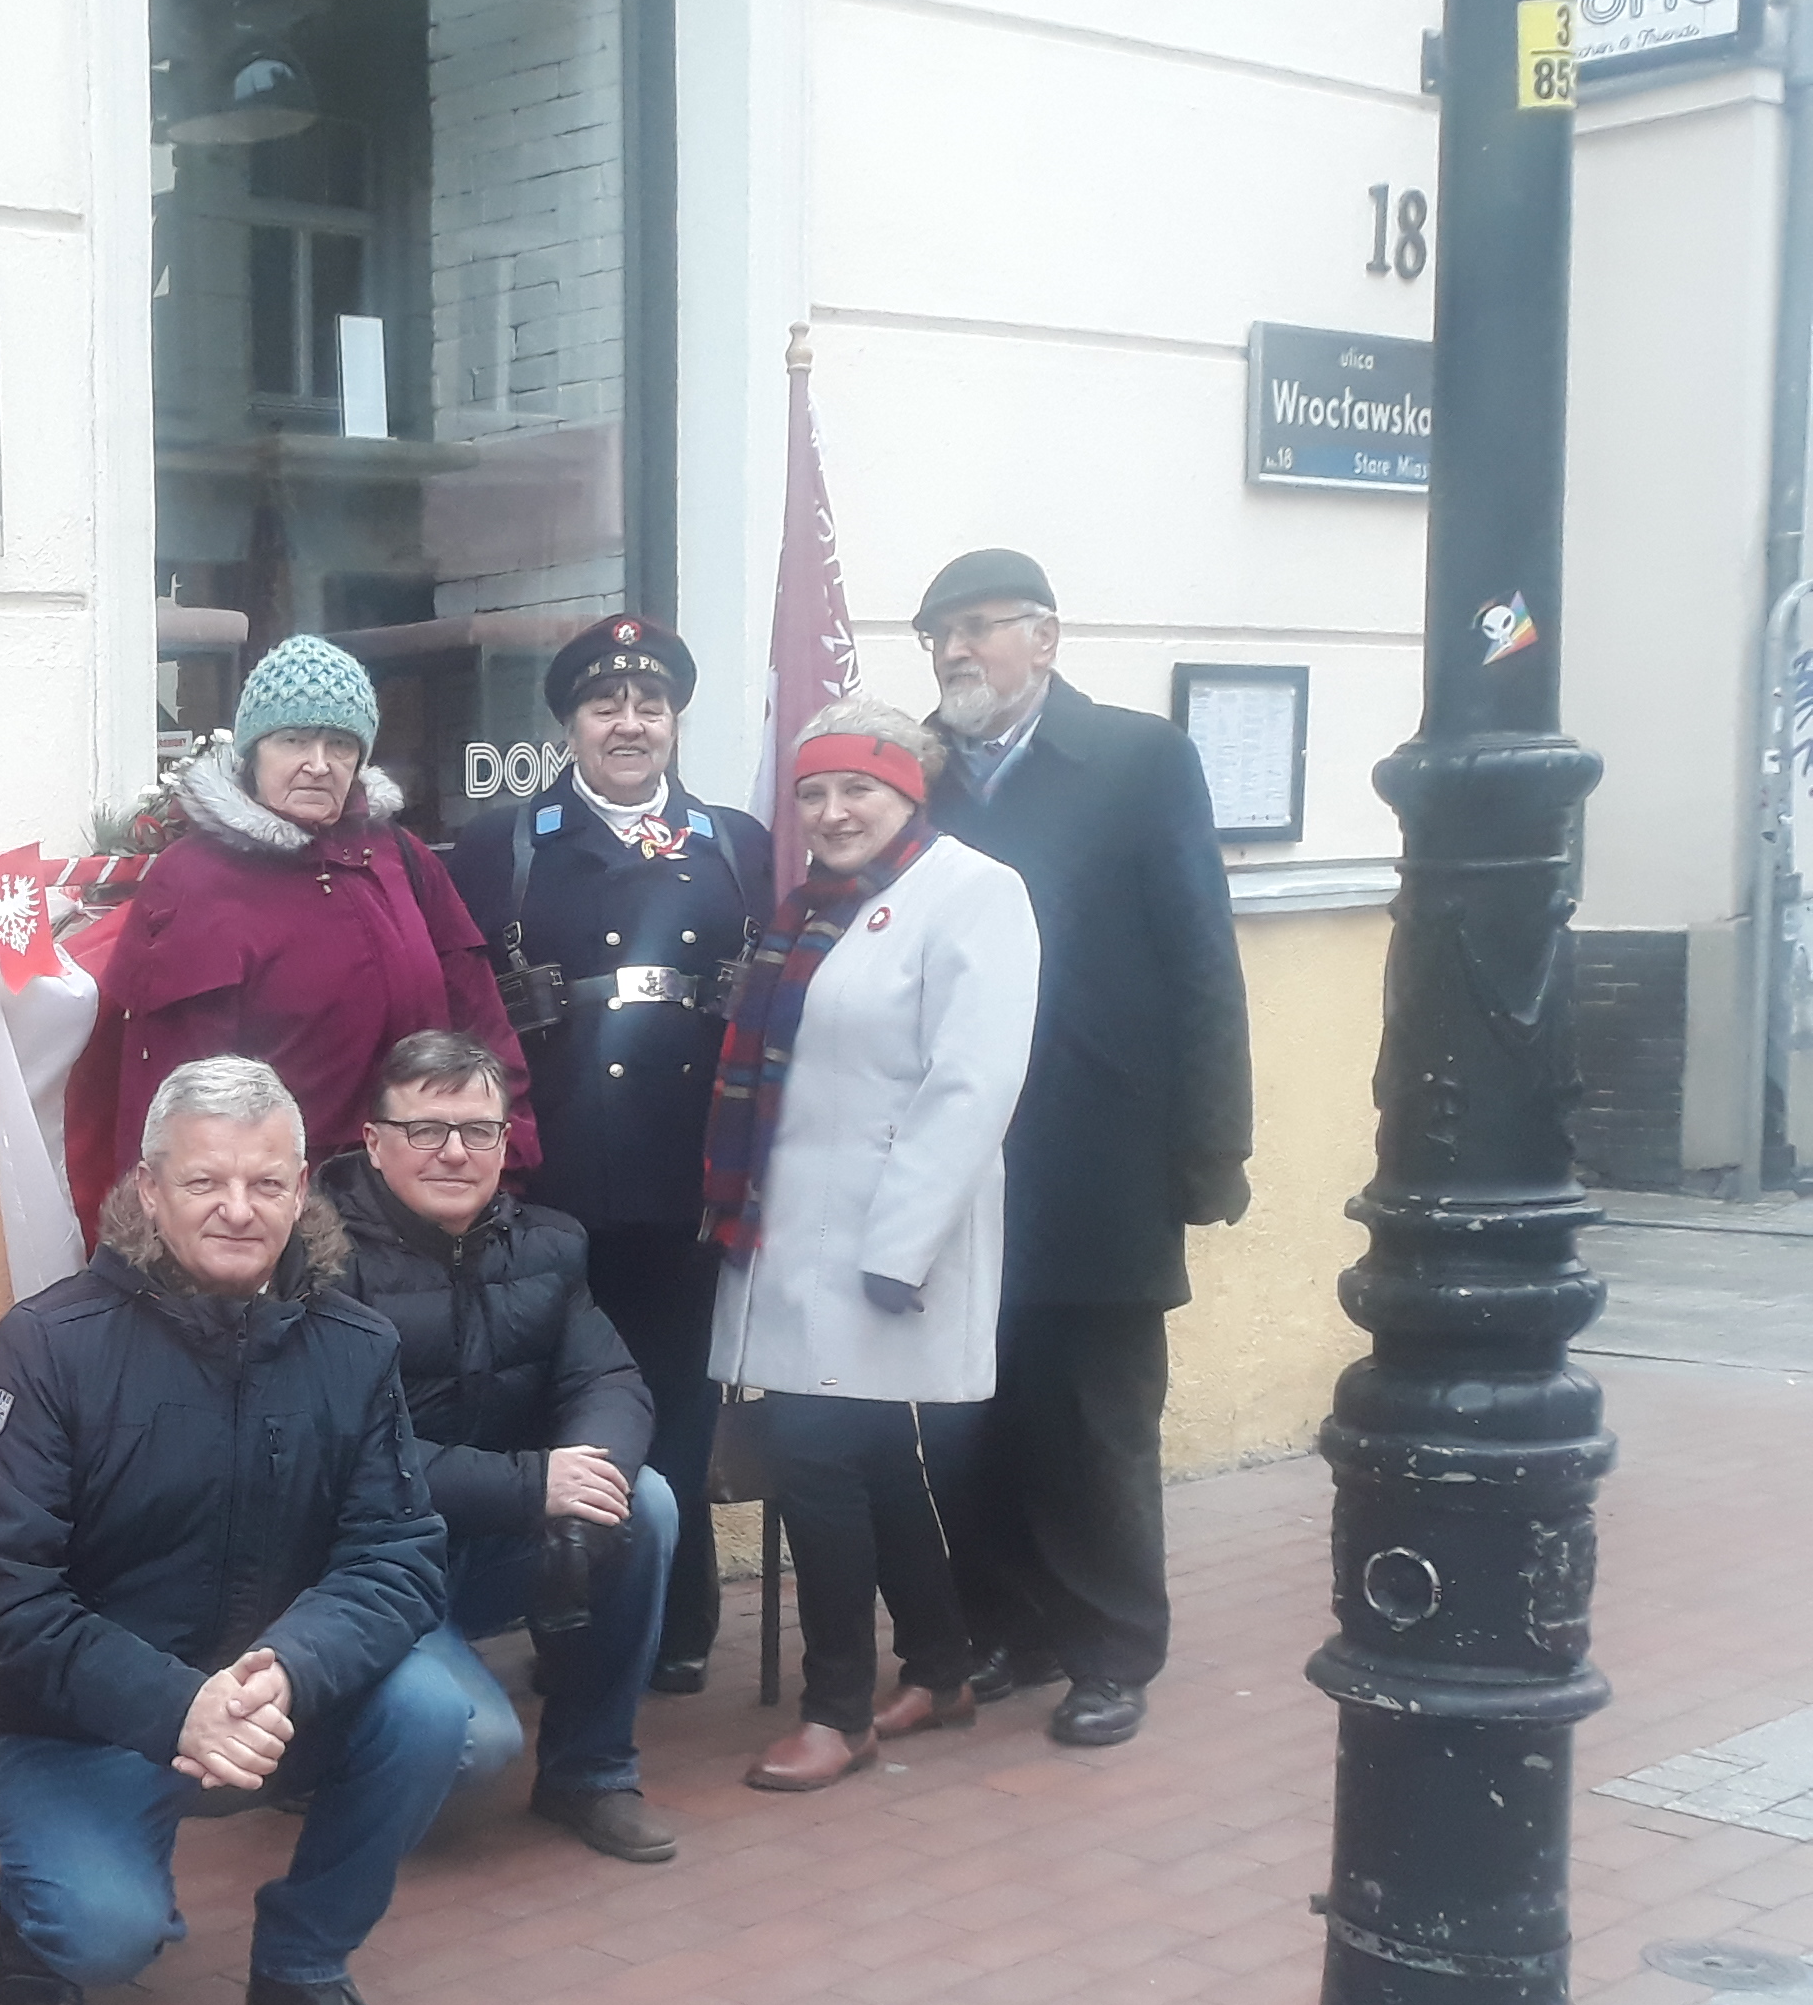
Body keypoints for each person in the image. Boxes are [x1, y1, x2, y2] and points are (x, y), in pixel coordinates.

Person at [0, 1056, 464, 2005]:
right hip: (74, 1722)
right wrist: (174, 1705)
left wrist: (292, 1665)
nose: (239, 1210)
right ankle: (36, 1920)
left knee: (431, 1708)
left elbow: (399, 1556)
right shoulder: (47, 1348)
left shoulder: (355, 1347)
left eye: (267, 1184)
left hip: (264, 1699)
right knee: (104, 1937)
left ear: (302, 1188)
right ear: (149, 1190)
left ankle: (302, 1976)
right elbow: (1, 1597)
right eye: (204, 1183)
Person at [914, 550, 1254, 1749]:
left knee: (1099, 1419)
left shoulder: (1136, 761)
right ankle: (1005, 1626)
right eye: (937, 635)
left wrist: (1214, 1148)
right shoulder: (921, 775)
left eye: (977, 628)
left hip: (1102, 1148)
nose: (956, 653)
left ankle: (1111, 1651)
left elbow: (1202, 957)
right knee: (977, 1409)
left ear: (1045, 637)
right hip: (965, 1161)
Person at [705, 707, 1043, 1793]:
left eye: (860, 790)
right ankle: (941, 1668)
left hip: (884, 1243)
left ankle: (839, 1709)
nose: (833, 812)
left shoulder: (975, 893)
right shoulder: (813, 909)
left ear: (910, 795)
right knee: (870, 1455)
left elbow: (972, 1084)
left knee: (814, 1458)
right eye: (814, 792)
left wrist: (900, 1248)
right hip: (792, 1236)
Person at [445, 614, 774, 1697]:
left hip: (688, 1180)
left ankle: (674, 1626)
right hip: (558, 1179)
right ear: (570, 726)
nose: (628, 724)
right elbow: (463, 1007)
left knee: (677, 1400)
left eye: (649, 705)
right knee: (559, 1406)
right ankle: (569, 1618)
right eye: (604, 706)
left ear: (675, 721)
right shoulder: (508, 843)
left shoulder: (735, 842)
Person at [318, 1030, 675, 1863]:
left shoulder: (548, 1244)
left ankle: (590, 1774)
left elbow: (610, 1384)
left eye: (478, 1130)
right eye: (426, 1130)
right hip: (368, 1566)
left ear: (504, 1141)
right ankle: (319, 1745)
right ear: (373, 1141)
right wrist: (532, 1485)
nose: (454, 1153)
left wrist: (581, 1487)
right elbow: (352, 1454)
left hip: (493, 1546)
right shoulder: (317, 1261)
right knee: (474, 1746)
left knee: (644, 1502)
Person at [67, 632, 526, 1232]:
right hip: (273, 1225)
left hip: (420, 1213)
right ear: (254, 752)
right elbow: (169, 1091)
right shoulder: (195, 880)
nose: (318, 763)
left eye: (340, 743)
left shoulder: (401, 858)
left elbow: (481, 1021)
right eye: (293, 740)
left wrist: (507, 1159)